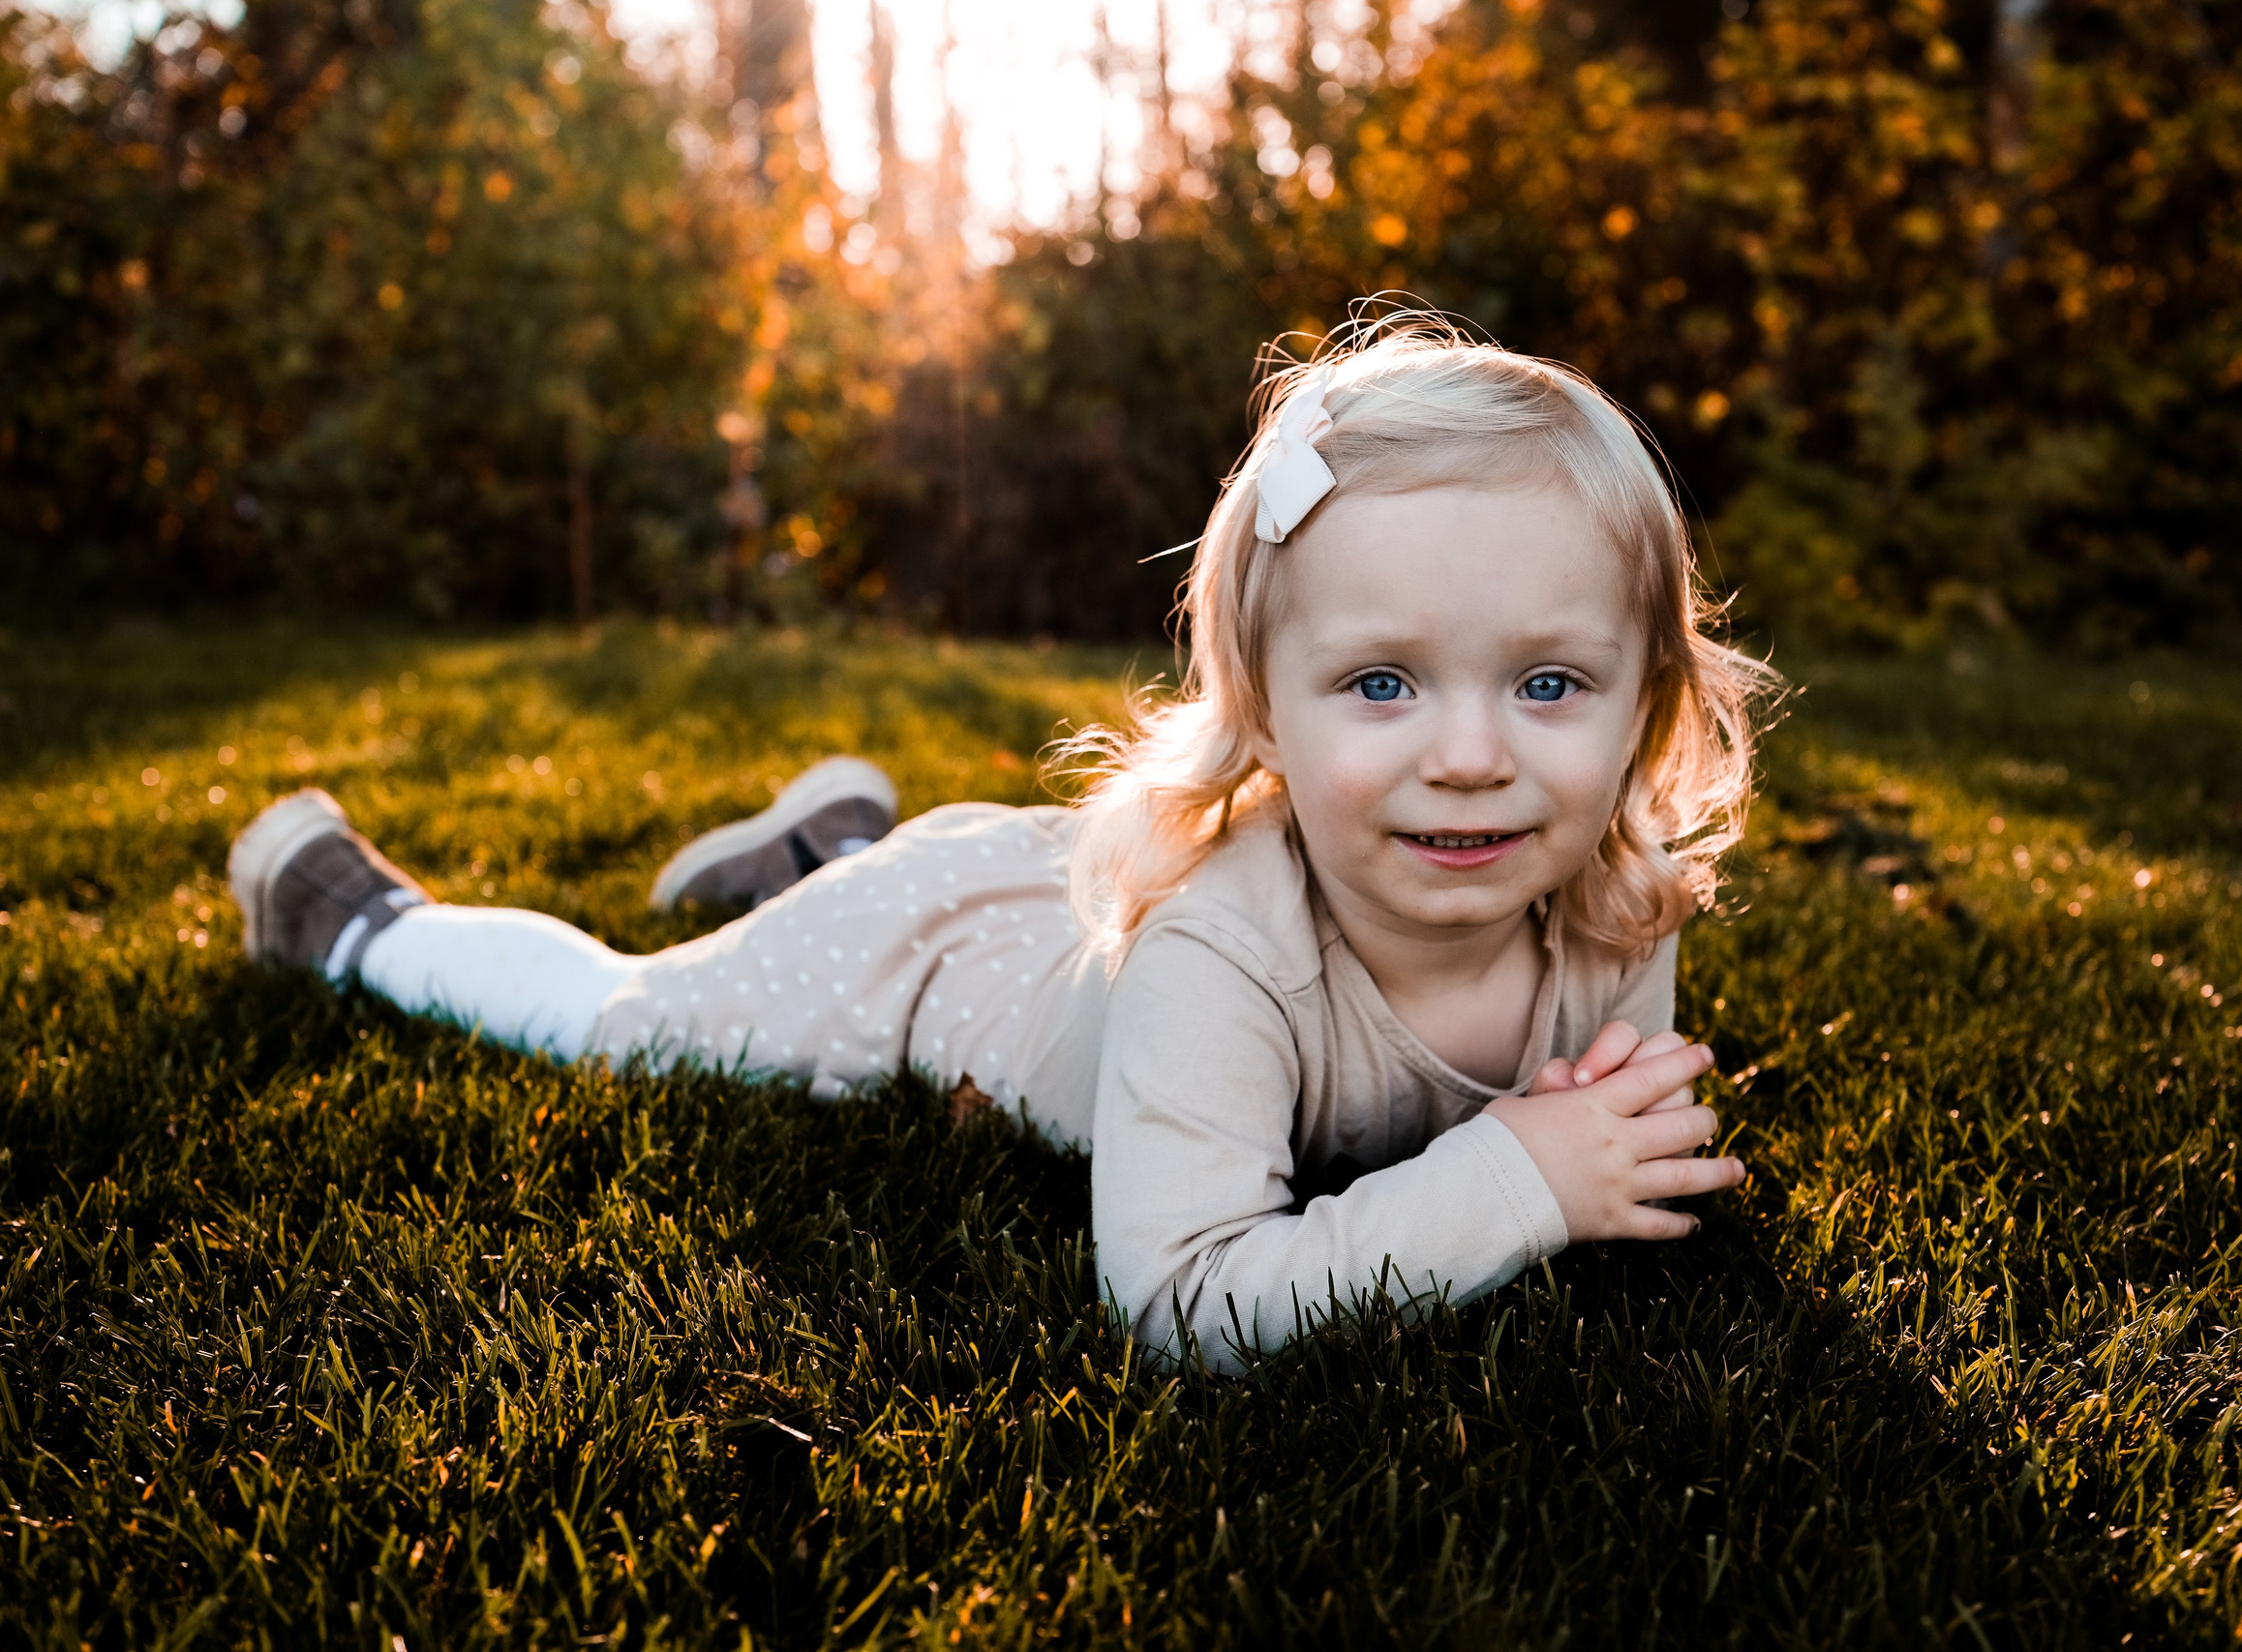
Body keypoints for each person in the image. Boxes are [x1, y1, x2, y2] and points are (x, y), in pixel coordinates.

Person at [227, 313, 1773, 1371]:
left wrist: (1580, 1159)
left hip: (1046, 904)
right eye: (1381, 683)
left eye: (1550, 683)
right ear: (1264, 719)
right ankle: (359, 918)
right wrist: (1512, 1181)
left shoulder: (1616, 905)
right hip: (933, 969)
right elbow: (1186, 1299)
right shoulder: (1225, 955)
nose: (1471, 757)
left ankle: (811, 844)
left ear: (1646, 702)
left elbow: (1605, 1144)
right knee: (631, 1021)